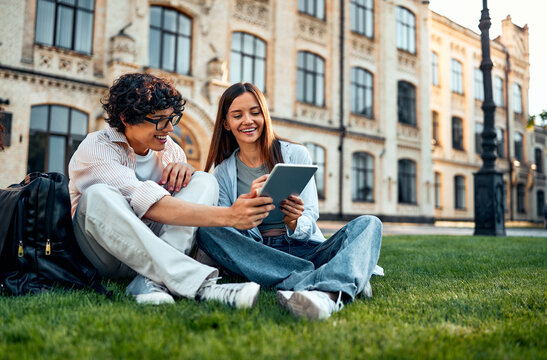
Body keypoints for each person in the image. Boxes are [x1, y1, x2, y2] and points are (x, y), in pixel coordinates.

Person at [69, 73, 275, 307]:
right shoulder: (96, 147)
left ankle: (150, 281)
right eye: (159, 120)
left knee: (205, 180)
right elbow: (152, 206)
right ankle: (199, 285)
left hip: (157, 250)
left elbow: (180, 213)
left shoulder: (171, 152)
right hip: (105, 252)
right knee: (98, 195)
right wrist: (231, 216)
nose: (169, 129)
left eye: (172, 118)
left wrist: (187, 172)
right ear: (126, 118)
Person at [198, 83, 383, 320]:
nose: (248, 120)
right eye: (237, 115)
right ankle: (334, 277)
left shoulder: (296, 154)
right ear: (226, 123)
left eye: (255, 112)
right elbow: (229, 226)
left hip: (304, 249)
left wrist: (294, 221)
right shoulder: (222, 172)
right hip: (259, 253)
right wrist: (246, 209)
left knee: (369, 224)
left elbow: (311, 216)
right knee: (206, 230)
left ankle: (324, 289)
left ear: (264, 115)